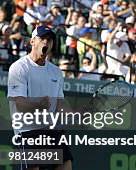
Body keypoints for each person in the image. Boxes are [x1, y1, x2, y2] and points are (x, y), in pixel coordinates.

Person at [8, 25, 73, 170]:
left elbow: (60, 104)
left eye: (49, 40)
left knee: (66, 164)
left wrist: (75, 114)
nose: (46, 42)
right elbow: (18, 103)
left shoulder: (56, 72)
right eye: (42, 38)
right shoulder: (18, 68)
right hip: (27, 131)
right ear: (32, 42)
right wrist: (39, 104)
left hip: (50, 129)